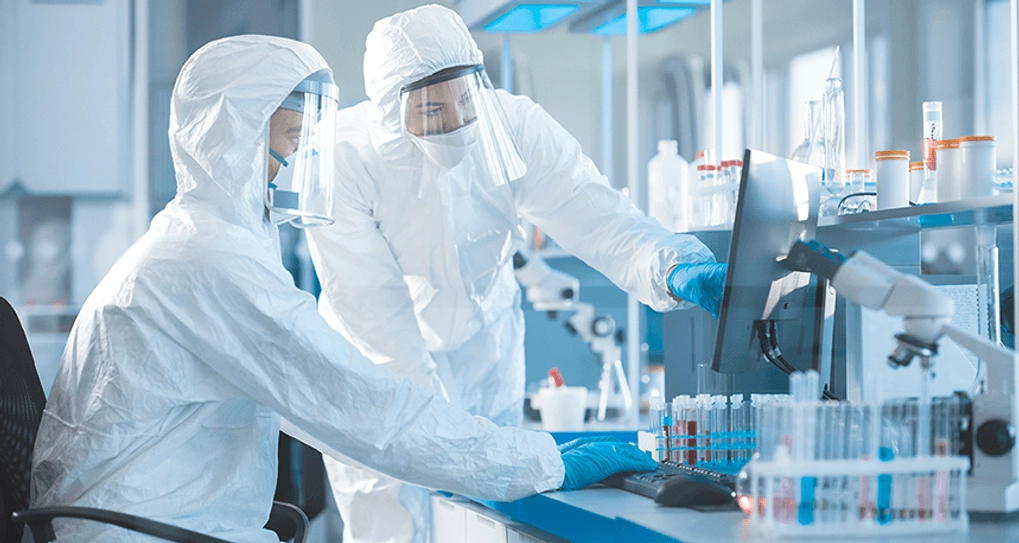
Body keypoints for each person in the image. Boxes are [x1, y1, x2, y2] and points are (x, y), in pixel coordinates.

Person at [26, 35, 657, 543]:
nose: (308, 165)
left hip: (175, 524)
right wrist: (547, 463)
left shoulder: (216, 244)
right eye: (295, 142)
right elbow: (360, 407)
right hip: (143, 532)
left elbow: (340, 403)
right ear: (233, 141)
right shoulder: (205, 261)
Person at [303, 5, 727, 543]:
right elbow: (380, 323)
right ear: (390, 112)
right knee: (396, 524)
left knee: (485, 526)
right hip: (383, 374)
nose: (456, 123)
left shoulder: (513, 125)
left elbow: (597, 216)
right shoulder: (344, 158)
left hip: (486, 353)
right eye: (433, 111)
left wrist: (672, 267)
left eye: (464, 100)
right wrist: (458, 447)